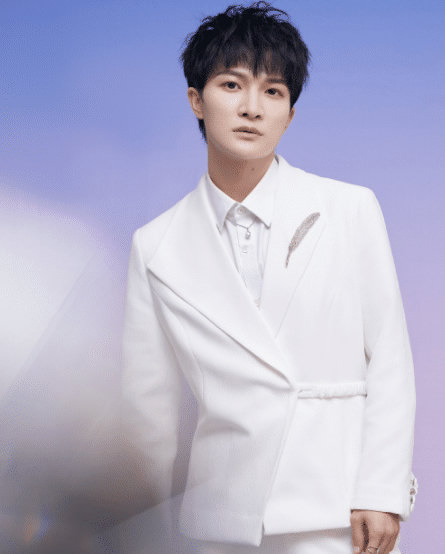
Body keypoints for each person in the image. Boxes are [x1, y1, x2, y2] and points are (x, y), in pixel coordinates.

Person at [121, 3, 417, 553]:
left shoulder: (348, 208)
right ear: (196, 100)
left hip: (334, 508)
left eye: (273, 91)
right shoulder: (155, 246)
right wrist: (144, 536)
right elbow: (148, 417)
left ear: (290, 114)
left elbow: (390, 358)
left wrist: (381, 491)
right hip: (220, 519)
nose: (252, 108)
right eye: (232, 85)